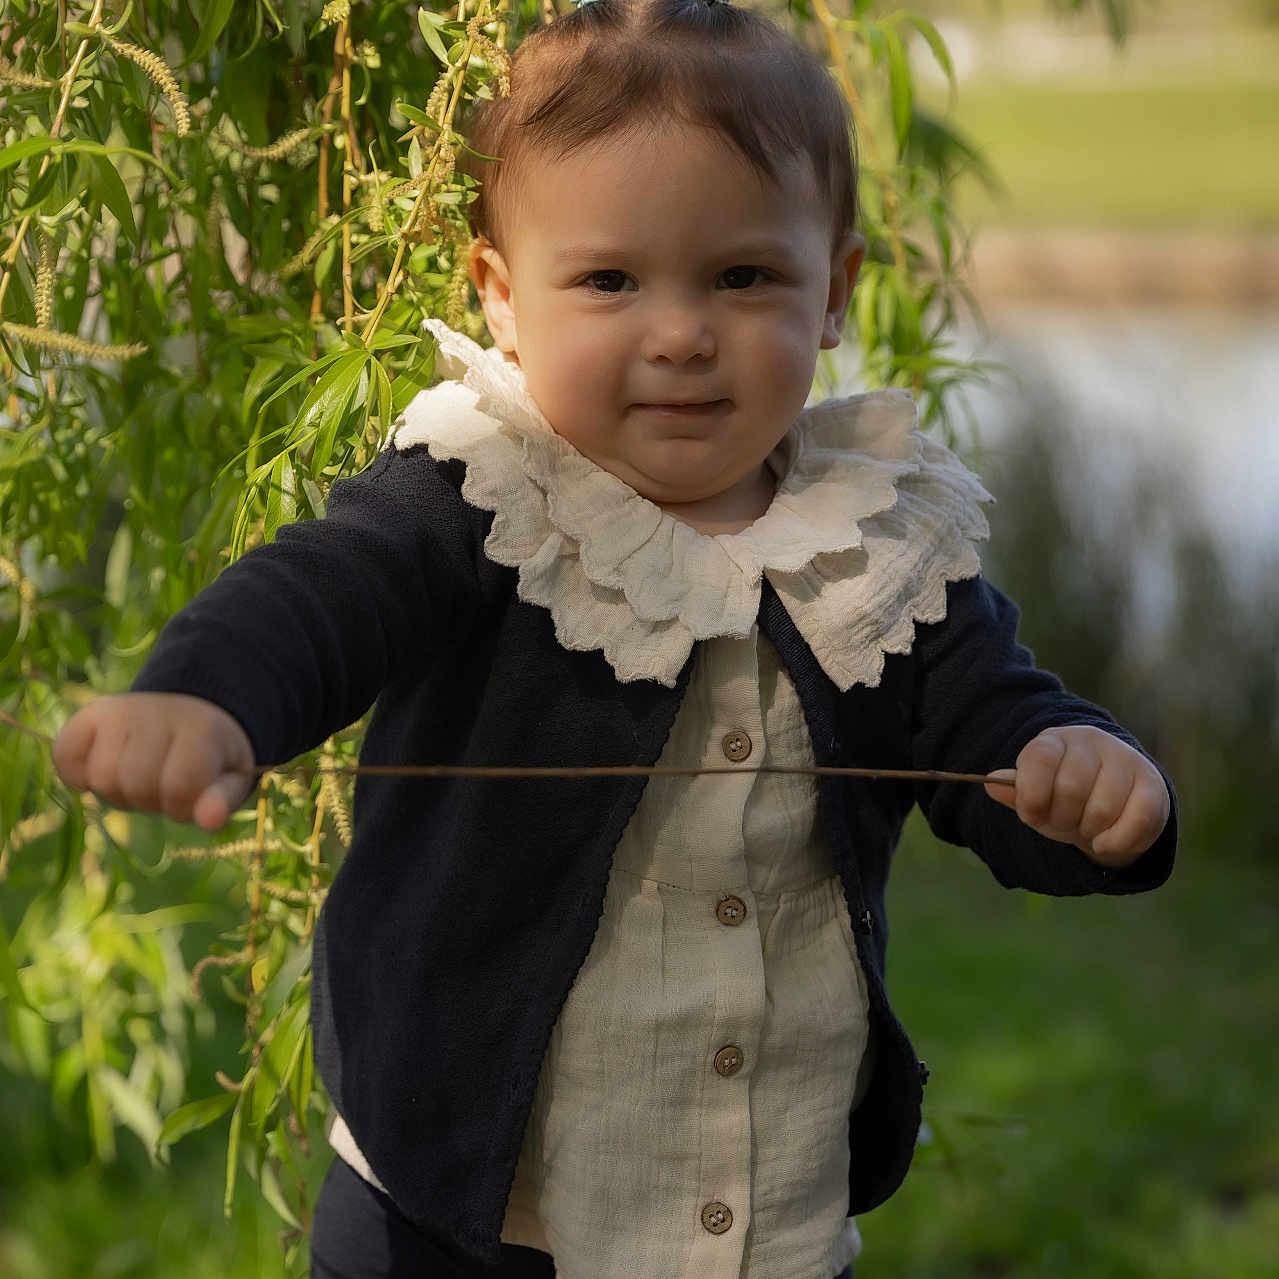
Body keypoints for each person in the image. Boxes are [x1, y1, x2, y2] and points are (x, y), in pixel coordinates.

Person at [51, 1, 1176, 1276]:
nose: (682, 331)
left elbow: (990, 724)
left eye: (743, 276)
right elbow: (326, 594)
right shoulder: (483, 491)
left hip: (760, 1201)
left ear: (834, 291)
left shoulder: (874, 537)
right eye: (609, 279)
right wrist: (207, 697)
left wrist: (1078, 773)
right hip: (462, 1207)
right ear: (502, 297)